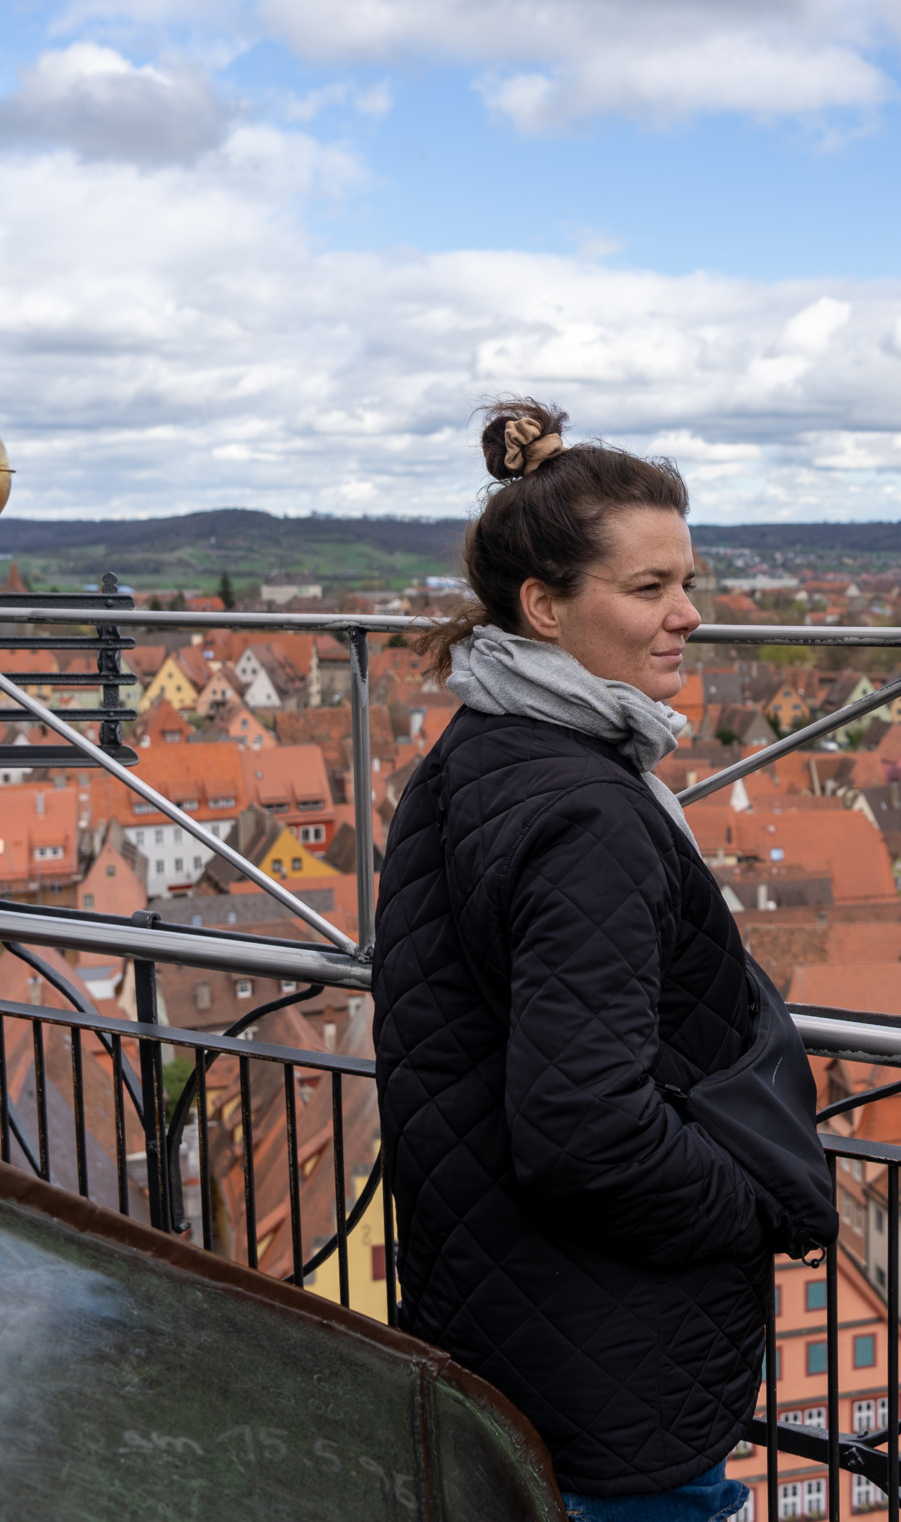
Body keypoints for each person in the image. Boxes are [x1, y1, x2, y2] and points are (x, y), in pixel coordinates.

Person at [373, 401, 790, 1522]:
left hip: (513, 1323)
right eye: (648, 588)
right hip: (611, 1360)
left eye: (686, 582)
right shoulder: (586, 808)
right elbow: (586, 1127)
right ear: (545, 606)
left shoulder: (474, 751)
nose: (687, 615)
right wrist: (746, 1204)